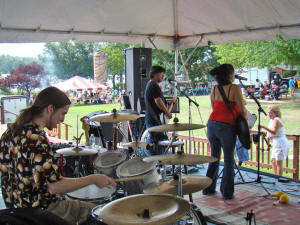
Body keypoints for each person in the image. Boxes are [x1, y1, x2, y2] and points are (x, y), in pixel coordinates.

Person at [0, 87, 116, 224]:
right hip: (41, 212)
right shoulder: (36, 139)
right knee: (101, 212)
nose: (62, 119)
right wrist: (93, 179)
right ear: (50, 109)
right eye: (62, 113)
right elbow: (54, 187)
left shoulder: (10, 133)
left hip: (15, 212)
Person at [203, 64, 247, 200]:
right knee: (228, 159)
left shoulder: (215, 88)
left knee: (214, 157)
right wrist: (245, 127)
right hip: (226, 126)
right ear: (229, 75)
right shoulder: (234, 88)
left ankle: (208, 188)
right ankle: (227, 192)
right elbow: (241, 108)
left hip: (212, 124)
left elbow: (213, 106)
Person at [144, 65, 176, 155]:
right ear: (156, 74)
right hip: (153, 119)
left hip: (152, 118)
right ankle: (156, 162)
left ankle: (158, 163)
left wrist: (168, 103)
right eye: (162, 74)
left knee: (157, 141)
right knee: (156, 141)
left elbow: (159, 100)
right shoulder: (154, 85)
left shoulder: (151, 84)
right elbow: (157, 101)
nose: (163, 76)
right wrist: (167, 112)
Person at [260, 105, 289, 176]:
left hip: (280, 142)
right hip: (275, 142)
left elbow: (274, 131)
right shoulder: (271, 120)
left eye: (271, 113)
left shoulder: (277, 120)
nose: (269, 115)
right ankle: (275, 175)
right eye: (269, 113)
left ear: (276, 113)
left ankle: (279, 177)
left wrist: (263, 127)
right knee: (273, 161)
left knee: (278, 162)